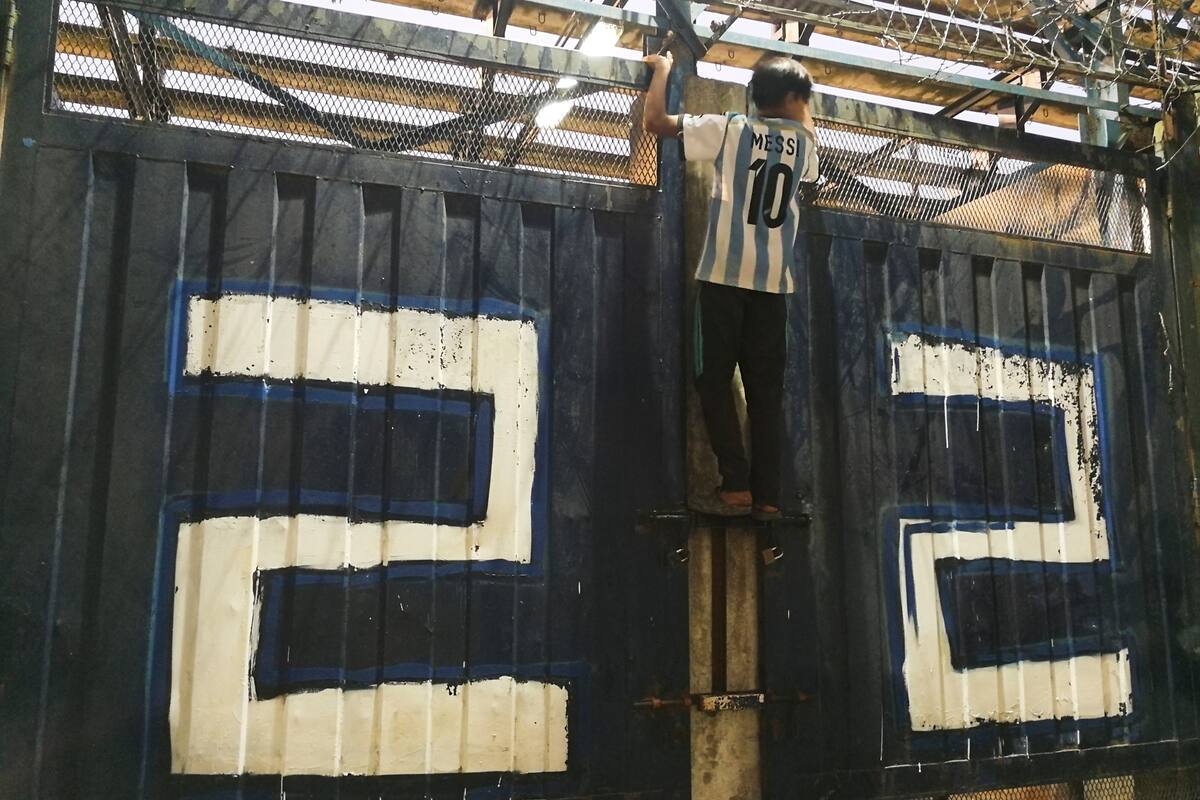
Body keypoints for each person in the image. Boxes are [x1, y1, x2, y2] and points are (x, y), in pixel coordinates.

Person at [642, 53, 819, 520]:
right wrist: (800, 106)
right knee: (766, 394)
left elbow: (655, 122)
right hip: (772, 288)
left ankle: (735, 483)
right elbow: (806, 135)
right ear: (796, 98)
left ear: (756, 96)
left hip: (723, 278)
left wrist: (663, 71)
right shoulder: (805, 145)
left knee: (713, 380)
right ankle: (768, 495)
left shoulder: (730, 128)